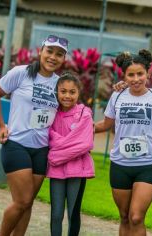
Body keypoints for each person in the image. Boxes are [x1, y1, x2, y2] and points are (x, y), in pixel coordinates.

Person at [0, 35, 68, 236]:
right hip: (16, 144)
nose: (53, 57)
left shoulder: (60, 84)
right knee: (21, 200)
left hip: (41, 149)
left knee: (28, 202)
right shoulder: (21, 73)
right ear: (40, 51)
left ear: (63, 59)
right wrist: (1, 126)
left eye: (59, 54)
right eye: (49, 51)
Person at [94, 49, 152, 236]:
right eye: (131, 75)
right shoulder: (117, 95)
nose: (136, 79)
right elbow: (105, 124)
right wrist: (75, 128)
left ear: (148, 73)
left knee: (136, 217)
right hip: (121, 164)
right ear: (124, 76)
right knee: (124, 216)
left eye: (140, 74)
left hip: (149, 164)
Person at [47, 72, 94, 235]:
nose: (67, 96)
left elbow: (85, 144)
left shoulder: (84, 113)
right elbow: (49, 138)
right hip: (56, 172)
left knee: (73, 214)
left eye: (72, 92)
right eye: (63, 91)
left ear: (78, 93)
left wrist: (55, 155)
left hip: (77, 171)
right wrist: (69, 143)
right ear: (57, 92)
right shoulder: (51, 114)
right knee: (56, 214)